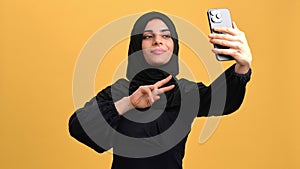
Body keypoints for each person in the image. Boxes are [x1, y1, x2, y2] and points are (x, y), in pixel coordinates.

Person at [68, 11, 252, 169]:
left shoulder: (185, 93)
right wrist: (128, 103)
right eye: (148, 36)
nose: (157, 41)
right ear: (136, 45)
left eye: (166, 36)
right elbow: (78, 128)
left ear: (174, 46)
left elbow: (223, 99)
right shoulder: (119, 91)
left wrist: (242, 66)